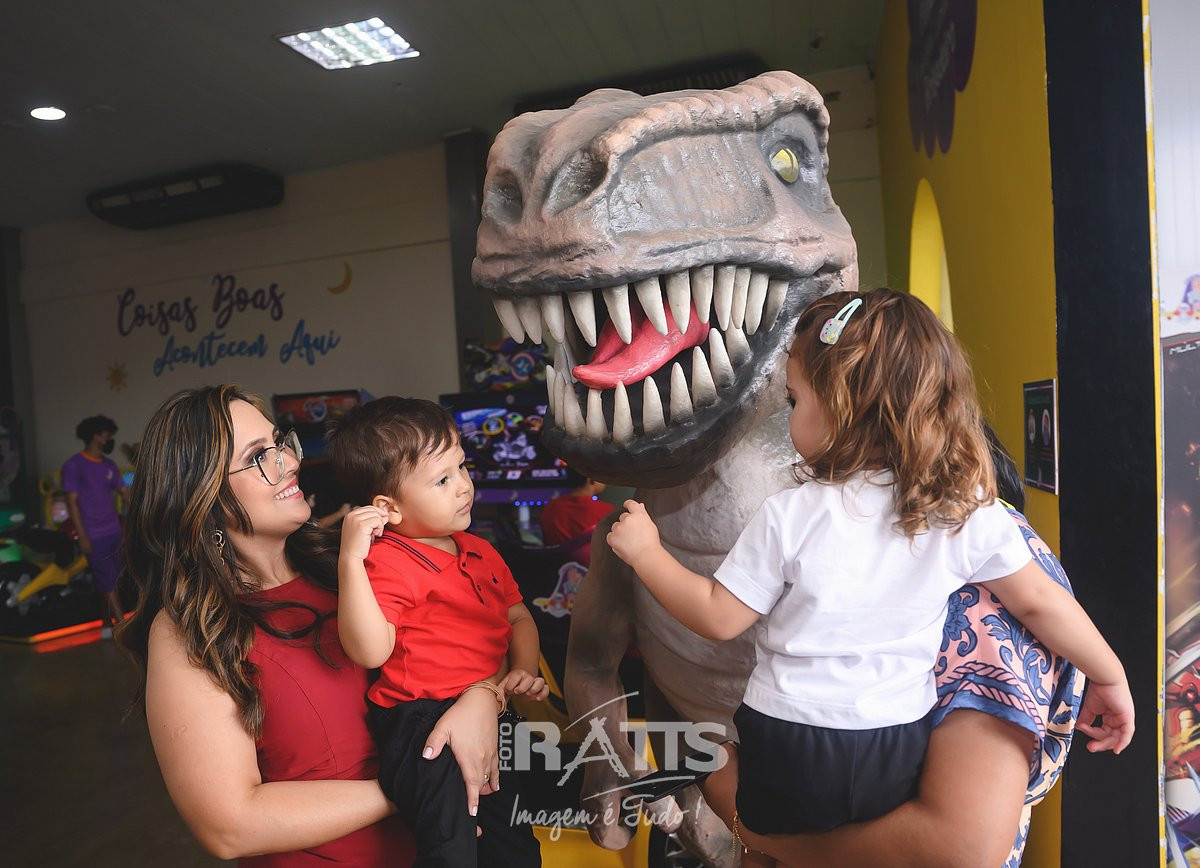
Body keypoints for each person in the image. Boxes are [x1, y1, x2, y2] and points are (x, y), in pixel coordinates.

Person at [607, 289, 1133, 862]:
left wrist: (647, 554)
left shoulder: (791, 514)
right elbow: (1040, 602)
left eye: (795, 400)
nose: (790, 418)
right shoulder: (965, 512)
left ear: (842, 409)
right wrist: (1109, 674)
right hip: (895, 741)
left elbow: (717, 615)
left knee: (762, 828)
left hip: (790, 738)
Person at [118, 386, 504, 865]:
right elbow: (229, 826)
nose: (289, 462)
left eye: (281, 442)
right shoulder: (190, 629)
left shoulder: (358, 565)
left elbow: (476, 639)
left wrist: (484, 696)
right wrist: (422, 784)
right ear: (204, 497)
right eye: (258, 457)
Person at [327, 396, 545, 868]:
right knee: (452, 850)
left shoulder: (481, 551)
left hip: (493, 709)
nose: (464, 485)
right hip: (422, 721)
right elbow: (369, 651)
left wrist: (522, 671)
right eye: (442, 480)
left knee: (516, 848)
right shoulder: (386, 561)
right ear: (388, 508)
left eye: (461, 467)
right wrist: (351, 561)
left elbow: (518, 618)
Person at [63, 414, 126, 637]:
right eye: (107, 436)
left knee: (110, 580)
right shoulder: (74, 466)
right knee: (108, 581)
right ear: (95, 436)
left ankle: (106, 625)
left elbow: (124, 493)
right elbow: (71, 502)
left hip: (114, 531)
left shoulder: (110, 466)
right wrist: (83, 536)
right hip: (93, 534)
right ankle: (124, 631)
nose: (109, 440)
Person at [539, 467, 615, 561]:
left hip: (554, 567)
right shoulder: (607, 510)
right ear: (591, 479)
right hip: (592, 567)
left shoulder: (550, 507)